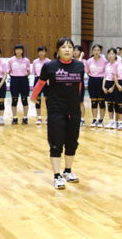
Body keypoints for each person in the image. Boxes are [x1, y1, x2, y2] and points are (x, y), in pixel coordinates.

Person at [30, 37, 85, 190]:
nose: (67, 49)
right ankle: (57, 175)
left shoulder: (79, 66)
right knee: (56, 142)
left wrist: (79, 104)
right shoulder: (50, 66)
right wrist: (34, 97)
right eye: (63, 47)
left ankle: (67, 171)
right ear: (58, 50)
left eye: (69, 47)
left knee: (72, 142)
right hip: (56, 109)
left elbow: (80, 87)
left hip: (73, 110)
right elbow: (40, 83)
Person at [85, 44, 108, 128]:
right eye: (95, 50)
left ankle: (101, 120)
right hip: (92, 80)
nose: (96, 52)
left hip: (101, 81)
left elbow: (106, 73)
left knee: (101, 102)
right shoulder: (89, 61)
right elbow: (87, 71)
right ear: (92, 51)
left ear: (100, 51)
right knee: (94, 102)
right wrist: (92, 76)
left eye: (98, 50)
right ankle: (94, 119)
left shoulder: (104, 61)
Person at [8, 45, 32, 125]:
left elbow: (28, 71)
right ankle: (14, 118)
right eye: (17, 49)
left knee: (24, 100)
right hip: (14, 80)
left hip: (24, 80)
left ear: (22, 51)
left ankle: (25, 118)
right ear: (15, 50)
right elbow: (9, 71)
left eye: (20, 49)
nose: (18, 51)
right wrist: (15, 76)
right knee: (14, 100)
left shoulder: (26, 60)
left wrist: (23, 76)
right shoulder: (11, 60)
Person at [32, 46, 49, 126]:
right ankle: (39, 117)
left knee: (47, 99)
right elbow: (34, 72)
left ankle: (48, 117)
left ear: (45, 52)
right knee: (37, 99)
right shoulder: (35, 62)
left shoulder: (49, 61)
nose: (41, 53)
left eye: (43, 51)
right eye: (40, 51)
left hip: (47, 81)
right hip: (38, 80)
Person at [102, 48, 118, 129]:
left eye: (112, 53)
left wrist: (113, 87)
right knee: (109, 104)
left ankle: (116, 121)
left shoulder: (118, 64)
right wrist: (103, 87)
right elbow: (105, 77)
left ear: (115, 55)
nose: (110, 55)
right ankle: (111, 121)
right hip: (107, 84)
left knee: (115, 104)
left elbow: (118, 77)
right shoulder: (107, 65)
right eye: (109, 54)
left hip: (114, 84)